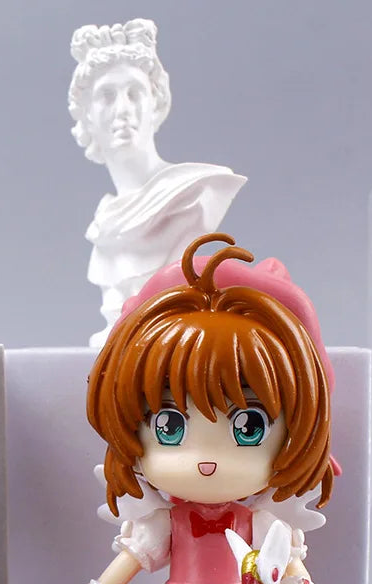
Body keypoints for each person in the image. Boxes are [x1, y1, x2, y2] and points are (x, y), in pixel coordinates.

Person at [65, 233, 339, 584]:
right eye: (170, 426)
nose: (206, 461)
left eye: (248, 428)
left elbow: (283, 558)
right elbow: (135, 556)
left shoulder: (260, 519)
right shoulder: (166, 519)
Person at [68, 19, 246, 344]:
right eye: (106, 95)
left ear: (157, 102)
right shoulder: (105, 220)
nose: (123, 109)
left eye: (135, 92)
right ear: (86, 114)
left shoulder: (192, 194)